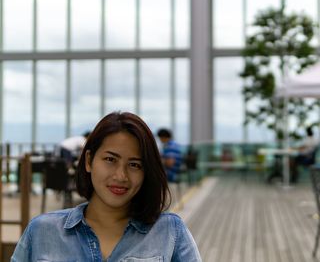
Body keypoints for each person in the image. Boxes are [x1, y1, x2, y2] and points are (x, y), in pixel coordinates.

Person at [11, 112, 202, 261]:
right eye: (110, 159)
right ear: (88, 161)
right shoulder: (42, 231)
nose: (121, 176)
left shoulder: (170, 231)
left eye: (135, 165)